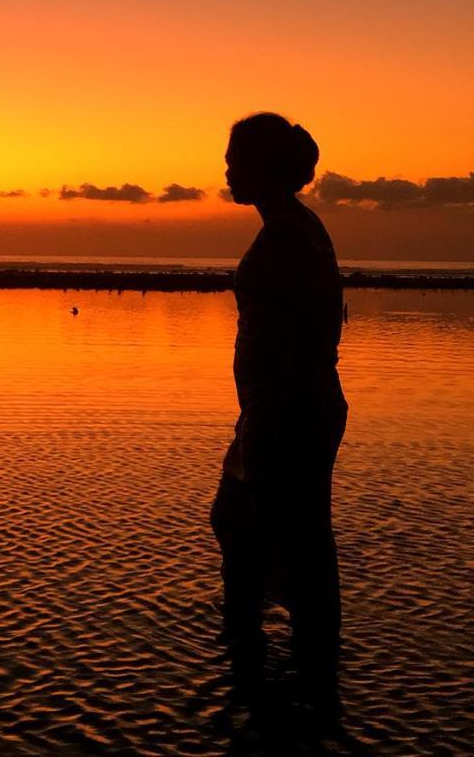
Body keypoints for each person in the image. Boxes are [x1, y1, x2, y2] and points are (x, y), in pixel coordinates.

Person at [210, 112, 348, 709]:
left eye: (236, 158)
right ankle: (263, 664)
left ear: (264, 167)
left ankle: (295, 683)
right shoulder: (291, 228)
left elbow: (299, 338)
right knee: (250, 527)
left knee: (287, 538)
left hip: (289, 412)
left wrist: (267, 421)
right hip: (283, 410)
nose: (226, 168)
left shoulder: (288, 236)